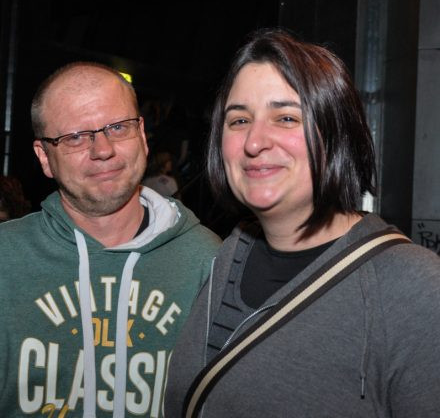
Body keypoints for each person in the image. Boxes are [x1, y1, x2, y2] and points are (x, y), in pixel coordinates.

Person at [165, 28, 440, 417]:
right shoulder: (229, 254)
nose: (255, 142)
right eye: (239, 120)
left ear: (336, 133)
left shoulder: (415, 288)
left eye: (286, 117)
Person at [0, 62, 220, 417]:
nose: (102, 149)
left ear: (142, 135)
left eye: (117, 127)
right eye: (74, 136)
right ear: (44, 157)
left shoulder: (206, 262)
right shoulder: (5, 260)